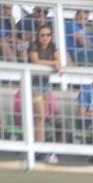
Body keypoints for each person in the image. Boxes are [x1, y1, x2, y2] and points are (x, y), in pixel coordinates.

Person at [26, 23, 62, 162]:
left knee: (45, 117)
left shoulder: (53, 47)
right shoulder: (34, 45)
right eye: (42, 35)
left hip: (45, 85)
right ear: (38, 36)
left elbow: (59, 59)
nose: (45, 37)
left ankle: (41, 147)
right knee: (40, 116)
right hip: (34, 84)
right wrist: (53, 63)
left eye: (48, 35)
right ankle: (39, 148)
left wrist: (56, 62)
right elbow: (35, 61)